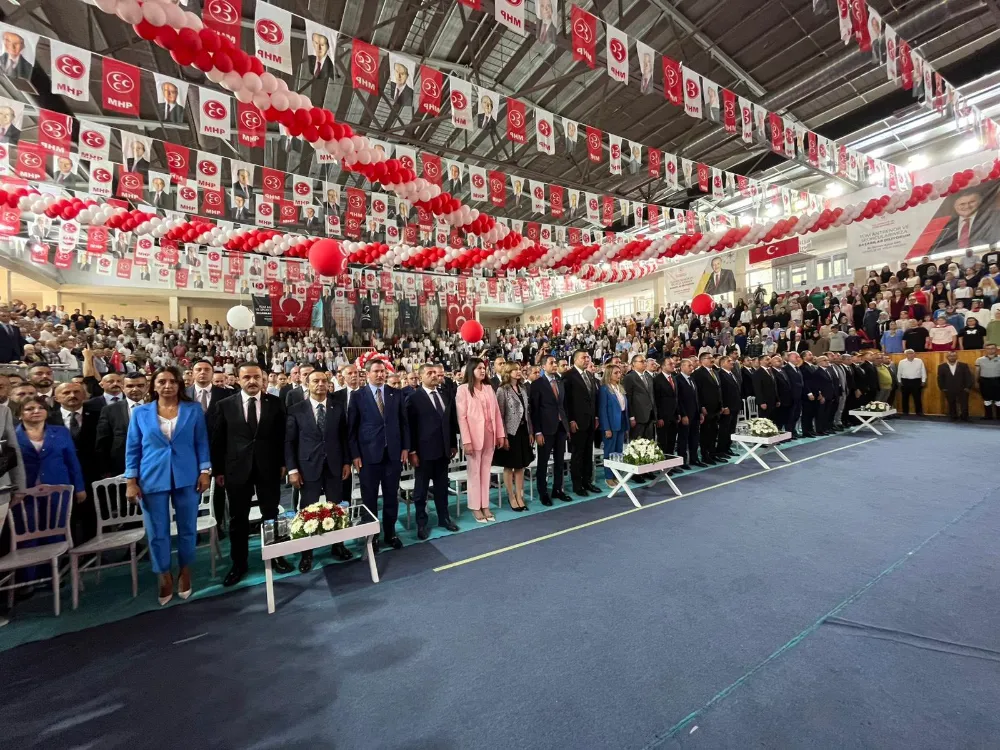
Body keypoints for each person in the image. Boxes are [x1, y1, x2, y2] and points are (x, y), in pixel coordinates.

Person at [125, 366, 212, 606]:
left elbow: (201, 442)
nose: (167, 385)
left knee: (187, 528)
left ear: (179, 385)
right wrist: (131, 481)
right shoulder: (141, 413)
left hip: (188, 476)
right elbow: (133, 448)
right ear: (153, 385)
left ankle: (185, 570)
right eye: (162, 381)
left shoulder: (193, 410)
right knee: (157, 531)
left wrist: (205, 471)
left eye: (172, 381)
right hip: (152, 477)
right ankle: (163, 574)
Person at [212, 363, 292, 586]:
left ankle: (277, 556)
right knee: (238, 519)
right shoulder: (224, 405)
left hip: (268, 467)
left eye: (256, 377)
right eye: (247, 377)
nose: (252, 381)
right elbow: (218, 441)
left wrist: (284, 463)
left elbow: (282, 436)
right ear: (238, 379)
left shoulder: (275, 403)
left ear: (263, 379)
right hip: (237, 471)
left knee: (272, 514)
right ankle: (239, 563)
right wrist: (218, 470)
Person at [285, 369, 353, 572]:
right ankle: (307, 553)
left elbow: (343, 437)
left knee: (336, 507)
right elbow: (289, 442)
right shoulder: (296, 409)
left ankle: (338, 546)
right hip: (307, 468)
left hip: (334, 465)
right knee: (307, 510)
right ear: (307, 384)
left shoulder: (338, 407)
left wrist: (346, 462)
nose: (321, 384)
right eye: (316, 381)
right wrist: (292, 469)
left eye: (324, 381)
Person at [348, 360, 409, 552]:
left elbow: (404, 423)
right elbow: (352, 429)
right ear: (367, 374)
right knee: (370, 499)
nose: (380, 375)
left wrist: (406, 448)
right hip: (368, 457)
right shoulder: (357, 396)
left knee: (392, 496)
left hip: (393, 455)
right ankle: (372, 537)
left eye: (383, 371)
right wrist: (355, 455)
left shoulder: (396, 393)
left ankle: (390, 533)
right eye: (376, 371)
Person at [406, 364, 461, 535]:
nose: (433, 376)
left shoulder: (444, 394)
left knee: (442, 487)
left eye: (435, 373)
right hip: (423, 453)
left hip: (443, 450)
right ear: (421, 376)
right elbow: (410, 427)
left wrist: (452, 444)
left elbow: (450, 422)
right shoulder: (414, 398)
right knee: (421, 491)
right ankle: (421, 523)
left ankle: (444, 518)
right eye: (429, 373)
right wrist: (412, 451)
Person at [456, 358, 505, 523]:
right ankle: (475, 507)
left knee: (485, 472)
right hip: (473, 436)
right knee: (474, 473)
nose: (482, 371)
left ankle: (485, 505)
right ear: (471, 370)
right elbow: (461, 418)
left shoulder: (489, 388)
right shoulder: (463, 389)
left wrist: (500, 434)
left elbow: (497, 413)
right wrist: (466, 440)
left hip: (490, 434)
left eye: (484, 368)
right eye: (478, 368)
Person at [528, 355, 570, 505]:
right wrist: (537, 431)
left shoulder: (560, 381)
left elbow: (563, 406)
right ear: (543, 366)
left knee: (560, 461)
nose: (554, 365)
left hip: (560, 427)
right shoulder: (537, 384)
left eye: (555, 362)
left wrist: (566, 425)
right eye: (551, 363)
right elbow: (535, 410)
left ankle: (557, 489)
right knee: (543, 462)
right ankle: (543, 492)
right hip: (545, 429)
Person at [493, 363, 532, 512]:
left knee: (521, 466)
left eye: (519, 369)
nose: (518, 372)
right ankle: (511, 496)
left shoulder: (523, 388)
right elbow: (500, 415)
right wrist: (504, 436)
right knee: (509, 466)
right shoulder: (502, 390)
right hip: (510, 432)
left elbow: (527, 413)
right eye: (514, 370)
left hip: (523, 430)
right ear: (507, 372)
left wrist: (530, 432)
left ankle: (519, 495)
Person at [95, 371, 148, 477]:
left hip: (151, 465)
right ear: (123, 388)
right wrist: (105, 469)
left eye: (140, 385)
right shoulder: (110, 410)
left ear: (147, 387)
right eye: (130, 386)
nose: (135, 389)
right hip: (120, 467)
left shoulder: (157, 408)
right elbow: (103, 442)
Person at [564, 349, 600, 495]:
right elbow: (567, 401)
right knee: (578, 454)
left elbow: (593, 399)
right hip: (577, 422)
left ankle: (587, 481)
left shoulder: (589, 375)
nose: (587, 360)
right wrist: (571, 419)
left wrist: (596, 416)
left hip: (590, 421)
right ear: (575, 359)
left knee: (588, 452)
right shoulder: (568, 376)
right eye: (583, 357)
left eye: (588, 357)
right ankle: (577, 485)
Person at [597, 363, 629, 489]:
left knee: (618, 451)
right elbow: (602, 410)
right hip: (610, 424)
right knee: (609, 452)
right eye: (616, 373)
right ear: (609, 374)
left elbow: (624, 407)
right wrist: (606, 428)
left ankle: (616, 475)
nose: (619, 375)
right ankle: (608, 477)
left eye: (619, 372)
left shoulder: (620, 387)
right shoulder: (604, 389)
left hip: (621, 422)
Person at [675, 358, 703, 468]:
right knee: (683, 438)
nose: (692, 367)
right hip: (685, 414)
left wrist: (700, 412)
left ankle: (694, 458)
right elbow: (679, 399)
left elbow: (697, 397)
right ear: (682, 367)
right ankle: (682, 461)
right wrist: (683, 414)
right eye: (689, 366)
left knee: (694, 438)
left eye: (692, 366)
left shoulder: (692, 379)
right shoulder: (678, 379)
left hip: (695, 413)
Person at [937, 351, 973, 421]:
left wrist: (968, 387)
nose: (952, 357)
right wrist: (942, 388)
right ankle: (953, 416)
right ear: (947, 357)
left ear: (957, 357)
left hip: (963, 388)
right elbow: (940, 378)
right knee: (951, 403)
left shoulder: (963, 365)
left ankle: (964, 417)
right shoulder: (941, 366)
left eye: (954, 356)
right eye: (950, 356)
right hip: (948, 388)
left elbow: (968, 377)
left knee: (964, 404)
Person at [652, 357, 678, 457]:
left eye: (673, 363)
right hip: (663, 417)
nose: (673, 365)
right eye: (670, 364)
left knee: (672, 442)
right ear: (663, 366)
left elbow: (676, 397)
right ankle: (663, 465)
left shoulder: (674, 378)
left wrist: (678, 413)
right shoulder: (657, 380)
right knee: (663, 442)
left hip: (674, 416)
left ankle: (671, 464)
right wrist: (658, 417)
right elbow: (656, 400)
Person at [717, 355, 743, 453]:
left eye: (732, 361)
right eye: (729, 361)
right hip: (727, 407)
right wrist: (724, 406)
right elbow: (721, 392)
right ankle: (721, 449)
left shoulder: (732, 374)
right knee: (724, 429)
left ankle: (728, 447)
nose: (732, 362)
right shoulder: (720, 374)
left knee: (731, 428)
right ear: (723, 363)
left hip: (735, 406)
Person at [896, 349, 926, 416]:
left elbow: (923, 371)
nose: (910, 354)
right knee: (904, 397)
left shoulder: (919, 361)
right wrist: (899, 381)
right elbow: (899, 372)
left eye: (912, 353)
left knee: (917, 398)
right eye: (909, 353)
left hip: (916, 381)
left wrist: (923, 380)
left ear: (914, 354)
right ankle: (905, 412)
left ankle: (919, 412)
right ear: (906, 354)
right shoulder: (902, 362)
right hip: (905, 381)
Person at [975, 344, 1000, 419]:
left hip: (998, 381)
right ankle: (988, 416)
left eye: (992, 348)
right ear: (985, 350)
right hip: (984, 381)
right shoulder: (979, 359)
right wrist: (976, 382)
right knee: (986, 399)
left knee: (998, 400)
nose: (990, 350)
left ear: (996, 349)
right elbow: (977, 371)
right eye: (988, 348)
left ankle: (999, 416)